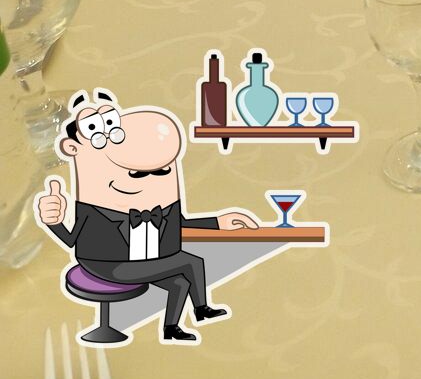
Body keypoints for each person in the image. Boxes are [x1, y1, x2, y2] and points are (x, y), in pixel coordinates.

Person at [35, 89, 260, 344]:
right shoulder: (93, 210)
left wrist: (219, 222)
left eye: (161, 171)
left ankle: (172, 327)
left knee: (179, 283)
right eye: (137, 173)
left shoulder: (163, 207)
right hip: (106, 265)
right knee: (190, 262)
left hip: (145, 260)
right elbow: (72, 240)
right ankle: (201, 309)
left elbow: (181, 225)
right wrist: (53, 221)